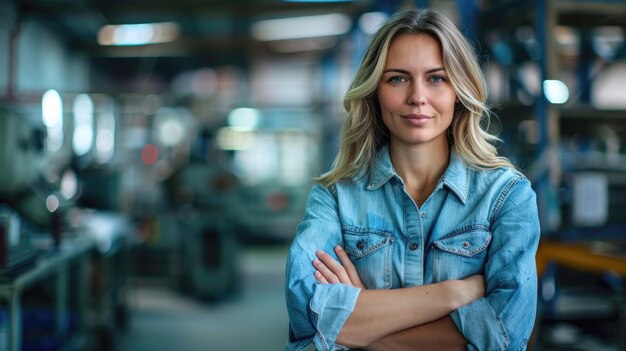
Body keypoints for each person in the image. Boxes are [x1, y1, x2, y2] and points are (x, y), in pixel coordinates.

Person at [284, 8, 540, 351]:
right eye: (397, 79)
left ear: (458, 91)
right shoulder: (335, 197)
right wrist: (454, 293)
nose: (418, 96)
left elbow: (504, 335)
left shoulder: (507, 196)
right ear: (375, 90)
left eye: (436, 78)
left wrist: (361, 326)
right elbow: (307, 313)